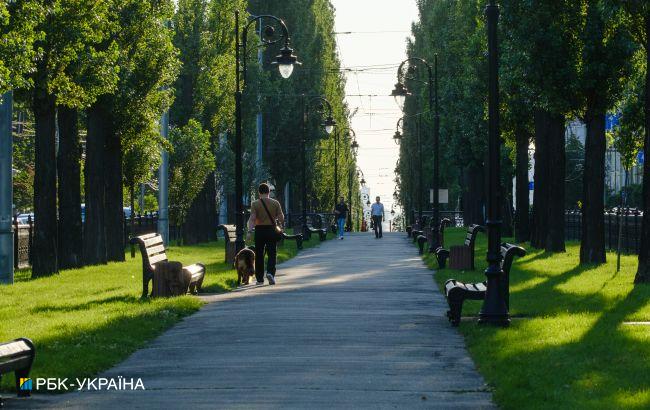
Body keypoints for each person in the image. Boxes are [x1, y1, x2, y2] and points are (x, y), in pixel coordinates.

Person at [247, 183, 285, 285]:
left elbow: (252, 219)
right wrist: (280, 223)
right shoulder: (275, 203)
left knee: (259, 254)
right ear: (269, 192)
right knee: (272, 253)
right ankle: (270, 273)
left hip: (259, 231)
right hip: (271, 230)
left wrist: (249, 232)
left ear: (259, 192)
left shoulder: (255, 204)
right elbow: (281, 217)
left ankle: (259, 279)